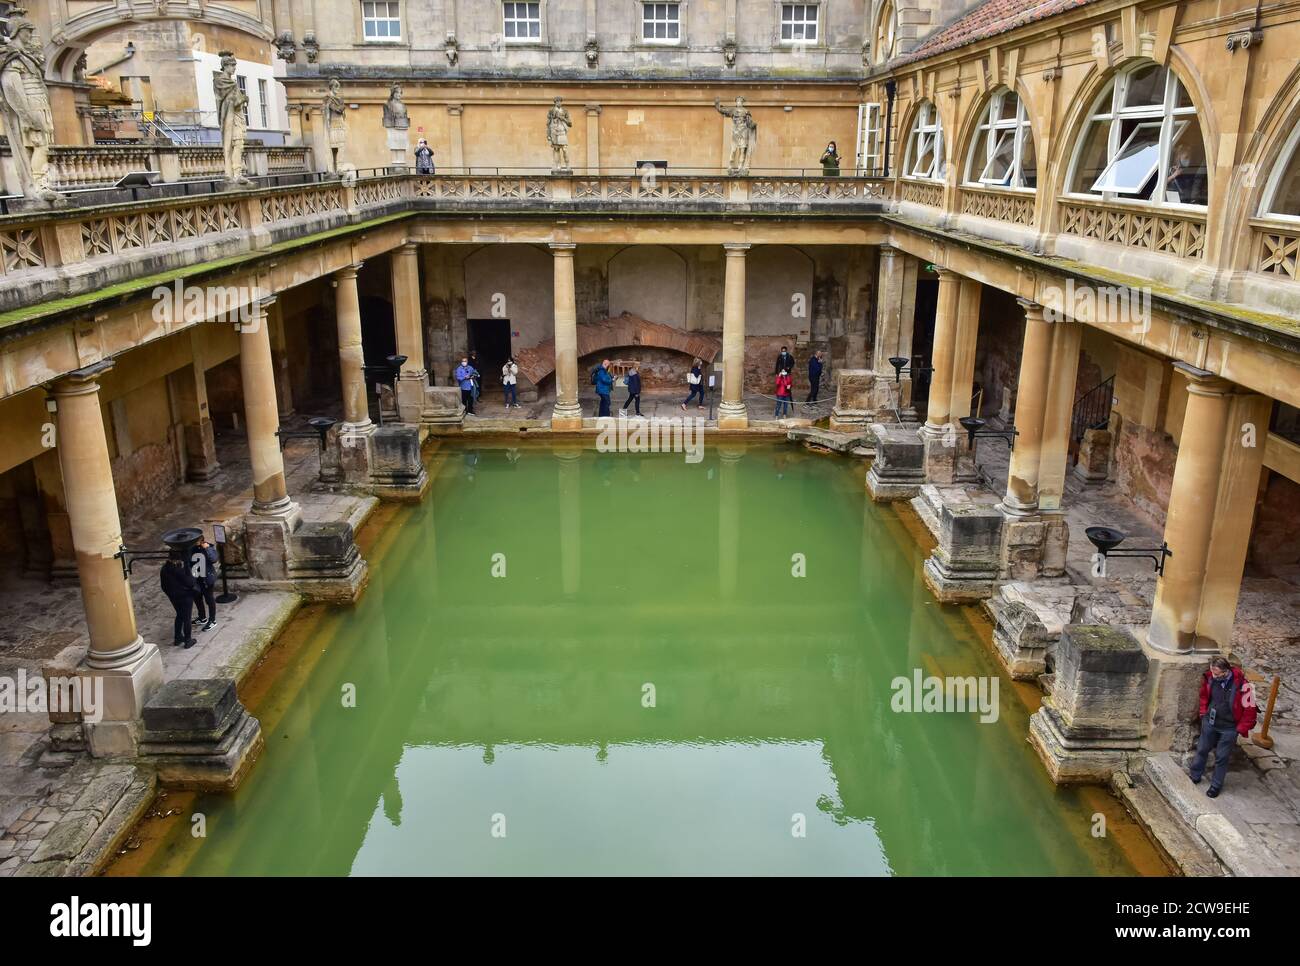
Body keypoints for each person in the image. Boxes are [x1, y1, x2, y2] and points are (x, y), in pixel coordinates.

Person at [1188, 657, 1257, 798]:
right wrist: (1203, 713)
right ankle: (1195, 775)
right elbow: (1204, 696)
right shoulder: (1210, 678)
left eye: (1217, 674)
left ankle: (1216, 786)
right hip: (1210, 722)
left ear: (1226, 672)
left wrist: (1239, 729)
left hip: (1229, 728)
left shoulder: (1245, 687)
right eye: (1213, 672)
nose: (1214, 676)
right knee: (1202, 749)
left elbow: (1250, 711)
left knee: (1222, 757)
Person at [160, 556, 199, 649]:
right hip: (185, 597)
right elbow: (191, 582)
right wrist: (187, 568)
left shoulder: (164, 569)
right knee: (187, 618)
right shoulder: (178, 570)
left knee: (180, 615)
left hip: (173, 597)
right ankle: (188, 640)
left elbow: (163, 586)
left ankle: (178, 637)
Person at [191, 535, 220, 632]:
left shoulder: (208, 547)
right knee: (197, 598)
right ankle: (202, 617)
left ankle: (212, 620)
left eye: (197, 541)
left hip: (207, 579)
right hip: (196, 578)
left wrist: (207, 548)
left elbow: (214, 559)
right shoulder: (191, 549)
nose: (195, 543)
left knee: (209, 599)